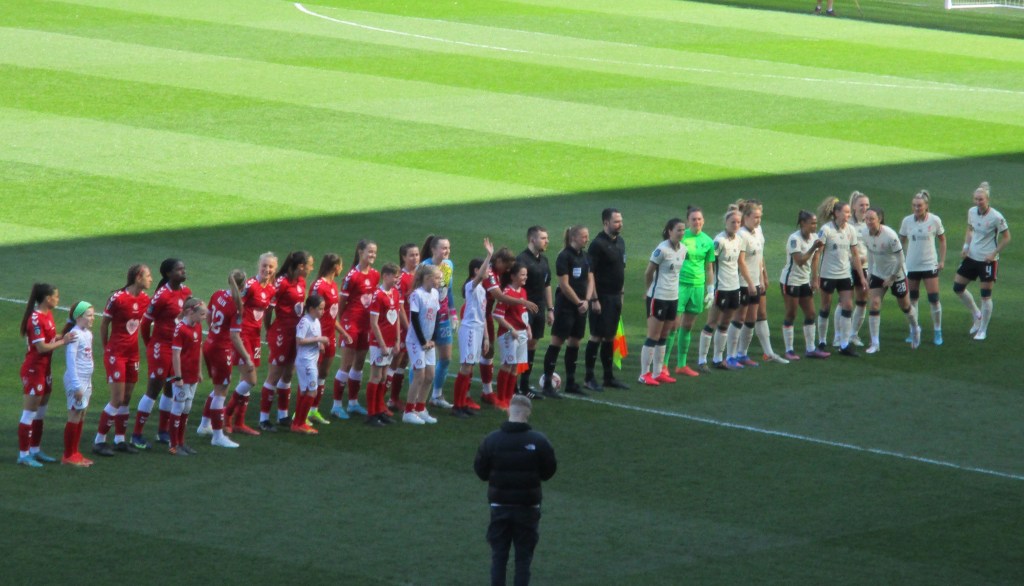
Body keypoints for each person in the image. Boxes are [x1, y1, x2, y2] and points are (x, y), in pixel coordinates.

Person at [474, 395, 557, 586]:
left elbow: (481, 471)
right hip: (528, 507)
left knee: (499, 556)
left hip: (499, 505)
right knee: (523, 559)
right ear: (528, 414)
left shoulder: (491, 440)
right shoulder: (539, 441)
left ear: (508, 411)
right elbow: (548, 471)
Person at [131, 258, 191, 449]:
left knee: (170, 388)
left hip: (176, 348)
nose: (183, 271)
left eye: (183, 268)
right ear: (168, 274)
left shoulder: (186, 292)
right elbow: (146, 323)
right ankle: (136, 435)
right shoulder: (162, 296)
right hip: (161, 347)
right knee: (154, 389)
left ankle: (163, 431)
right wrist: (150, 344)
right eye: (179, 269)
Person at [94, 264, 152, 457]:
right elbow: (104, 324)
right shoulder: (117, 299)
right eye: (148, 275)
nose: (151, 279)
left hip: (132, 354)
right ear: (138, 277)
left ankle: (120, 440)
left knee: (126, 398)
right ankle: (99, 440)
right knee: (117, 399)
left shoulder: (145, 299)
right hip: (116, 353)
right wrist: (106, 349)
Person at [17, 284, 76, 467]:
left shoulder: (47, 315)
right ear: (47, 299)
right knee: (29, 413)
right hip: (34, 370)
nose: (58, 299)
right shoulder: (35, 319)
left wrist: (65, 332)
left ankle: (35, 450)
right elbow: (42, 347)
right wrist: (64, 341)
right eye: (56, 296)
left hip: (45, 370)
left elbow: (49, 338)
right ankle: (23, 455)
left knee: (40, 413)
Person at [729, 200, 789, 367]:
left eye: (760, 217)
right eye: (756, 217)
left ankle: (743, 354)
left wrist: (762, 278)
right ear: (746, 217)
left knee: (752, 318)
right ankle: (730, 356)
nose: (758, 220)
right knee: (739, 318)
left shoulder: (757, 232)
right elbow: (741, 262)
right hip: (743, 282)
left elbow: (760, 256)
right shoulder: (741, 235)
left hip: (756, 281)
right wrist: (749, 282)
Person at [258, 250, 313, 431]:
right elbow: (268, 309)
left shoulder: (301, 282)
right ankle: (263, 418)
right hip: (281, 333)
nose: (311, 269)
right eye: (310, 265)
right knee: (274, 375)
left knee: (288, 373)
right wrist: (269, 329)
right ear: (301, 266)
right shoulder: (281, 283)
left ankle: (283, 415)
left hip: (295, 334)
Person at [223, 252, 277, 436]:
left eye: (270, 267)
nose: (267, 269)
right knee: (251, 380)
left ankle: (239, 422)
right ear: (258, 266)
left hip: (255, 337)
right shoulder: (250, 286)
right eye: (264, 266)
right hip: (243, 335)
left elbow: (266, 312)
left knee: (244, 381)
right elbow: (236, 304)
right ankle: (227, 414)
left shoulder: (271, 290)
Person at [697, 207, 756, 371]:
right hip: (721, 288)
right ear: (726, 222)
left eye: (738, 222)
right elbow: (709, 264)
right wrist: (710, 288)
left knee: (725, 323)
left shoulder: (739, 240)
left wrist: (749, 283)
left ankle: (718, 359)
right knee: (712, 322)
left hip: (734, 288)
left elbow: (740, 263)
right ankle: (702, 360)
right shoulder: (719, 241)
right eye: (733, 222)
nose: (736, 225)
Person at [953, 181, 1011, 341]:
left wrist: (994, 253)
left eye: (981, 199)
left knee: (985, 295)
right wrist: (966, 246)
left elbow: (1007, 237)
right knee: (958, 287)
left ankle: (983, 329)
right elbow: (970, 229)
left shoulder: (996, 217)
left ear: (988, 200)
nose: (978, 202)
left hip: (987, 261)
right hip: (972, 256)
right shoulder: (972, 212)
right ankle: (976, 314)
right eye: (976, 199)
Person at [195, 270, 246, 448]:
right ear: (243, 285)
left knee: (218, 388)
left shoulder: (217, 294)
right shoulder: (237, 306)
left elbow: (208, 318)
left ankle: (204, 425)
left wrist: (215, 333)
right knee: (221, 392)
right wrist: (246, 357)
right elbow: (234, 336)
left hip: (209, 343)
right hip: (221, 349)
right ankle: (217, 436)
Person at [543, 225, 594, 397]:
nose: (587, 239)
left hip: (581, 306)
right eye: (584, 236)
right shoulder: (564, 256)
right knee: (557, 341)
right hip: (566, 306)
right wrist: (579, 302)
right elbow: (564, 285)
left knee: (575, 342)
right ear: (573, 238)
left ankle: (571, 383)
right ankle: (547, 384)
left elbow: (590, 279)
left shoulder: (586, 257)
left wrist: (587, 300)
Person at [665, 206, 715, 377]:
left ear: (703, 220)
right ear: (688, 221)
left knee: (687, 326)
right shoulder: (681, 237)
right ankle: (663, 365)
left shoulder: (708, 241)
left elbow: (709, 267)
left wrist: (710, 290)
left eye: (699, 219)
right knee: (673, 325)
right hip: (680, 285)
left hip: (697, 287)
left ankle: (681, 364)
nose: (697, 222)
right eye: (693, 219)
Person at [862, 208, 920, 353]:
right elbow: (870, 253)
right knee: (874, 304)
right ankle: (875, 343)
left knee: (905, 306)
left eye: (872, 219)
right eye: (866, 218)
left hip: (896, 274)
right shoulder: (865, 233)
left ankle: (915, 328)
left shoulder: (890, 235)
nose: (868, 222)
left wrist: (892, 277)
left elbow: (900, 258)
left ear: (879, 219)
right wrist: (869, 273)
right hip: (878, 273)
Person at [583, 209, 629, 391]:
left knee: (610, 336)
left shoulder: (621, 242)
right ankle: (588, 378)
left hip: (615, 296)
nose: (620, 224)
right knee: (596, 335)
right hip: (601, 297)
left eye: (621, 220)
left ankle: (608, 377)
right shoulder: (597, 244)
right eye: (616, 221)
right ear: (606, 223)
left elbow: (621, 270)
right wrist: (594, 299)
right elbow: (590, 273)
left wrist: (621, 294)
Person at [815, 196, 867, 357]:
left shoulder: (850, 230)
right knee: (825, 307)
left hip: (845, 274)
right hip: (828, 275)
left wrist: (861, 277)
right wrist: (815, 276)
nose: (848, 215)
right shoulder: (826, 230)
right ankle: (822, 341)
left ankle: (844, 344)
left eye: (849, 213)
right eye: (846, 212)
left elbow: (855, 254)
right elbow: (817, 254)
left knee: (848, 306)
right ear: (836, 213)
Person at [333, 241, 378, 418]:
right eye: (370, 251)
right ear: (360, 252)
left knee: (359, 364)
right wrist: (343, 323)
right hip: (351, 323)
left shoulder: (375, 274)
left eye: (374, 252)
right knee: (346, 364)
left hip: (365, 325)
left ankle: (353, 403)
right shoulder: (351, 276)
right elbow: (341, 304)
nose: (373, 255)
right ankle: (336, 406)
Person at [638, 218, 686, 386]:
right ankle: (644, 374)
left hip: (673, 297)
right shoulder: (662, 250)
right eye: (678, 230)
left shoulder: (683, 249)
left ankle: (658, 373)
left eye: (683, 230)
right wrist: (649, 291)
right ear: (669, 231)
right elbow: (648, 272)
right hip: (658, 297)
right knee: (653, 335)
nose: (681, 233)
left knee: (664, 335)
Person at [899, 190, 947, 345]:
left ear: (926, 206)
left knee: (934, 299)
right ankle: (914, 330)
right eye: (914, 205)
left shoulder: (934, 220)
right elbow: (901, 241)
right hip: (912, 266)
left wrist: (941, 260)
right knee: (912, 299)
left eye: (919, 205)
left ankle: (938, 331)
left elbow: (942, 240)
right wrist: (902, 260)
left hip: (929, 264)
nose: (916, 208)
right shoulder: (907, 221)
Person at [780, 211, 829, 359]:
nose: (815, 226)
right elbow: (800, 261)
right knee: (791, 313)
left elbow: (814, 260)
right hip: (790, 281)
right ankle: (789, 350)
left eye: (815, 223)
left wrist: (815, 278)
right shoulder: (794, 239)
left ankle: (810, 348)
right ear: (802, 223)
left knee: (811, 313)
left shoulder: (814, 237)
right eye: (812, 223)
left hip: (804, 281)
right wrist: (813, 247)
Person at [456, 240, 495, 413]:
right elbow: (479, 278)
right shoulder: (471, 286)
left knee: (469, 367)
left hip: (478, 330)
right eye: (486, 269)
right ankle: (458, 405)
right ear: (476, 271)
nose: (489, 272)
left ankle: (462, 403)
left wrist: (486, 337)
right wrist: (489, 255)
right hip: (470, 330)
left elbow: (483, 314)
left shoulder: (482, 290)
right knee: (466, 367)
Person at [516, 227, 554, 396]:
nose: (547, 241)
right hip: (524, 309)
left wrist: (550, 309)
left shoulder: (544, 260)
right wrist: (521, 309)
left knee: (532, 344)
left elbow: (547, 285)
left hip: (539, 308)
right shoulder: (522, 260)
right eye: (543, 238)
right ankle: (514, 386)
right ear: (532, 239)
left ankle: (524, 385)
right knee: (521, 346)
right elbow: (516, 287)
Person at [310, 254, 347, 426]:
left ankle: (313, 410)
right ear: (335, 267)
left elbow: (332, 316)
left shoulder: (333, 285)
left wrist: (343, 332)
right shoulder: (319, 285)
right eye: (341, 265)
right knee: (312, 374)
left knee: (323, 373)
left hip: (330, 336)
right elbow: (311, 313)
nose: (342, 268)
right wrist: (316, 339)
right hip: (318, 337)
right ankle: (301, 413)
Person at [421, 235, 457, 409]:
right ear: (433, 249)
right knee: (422, 361)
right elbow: (418, 293)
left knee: (446, 358)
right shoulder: (424, 267)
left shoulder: (449, 265)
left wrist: (453, 313)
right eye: (443, 248)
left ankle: (436, 395)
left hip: (443, 319)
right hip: (427, 319)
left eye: (448, 248)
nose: (447, 251)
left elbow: (448, 291)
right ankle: (417, 398)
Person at [167, 297, 207, 456]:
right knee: (178, 408)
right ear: (191, 312)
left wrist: (199, 371)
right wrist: (178, 377)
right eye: (202, 314)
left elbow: (199, 350)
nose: (204, 317)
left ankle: (181, 442)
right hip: (182, 376)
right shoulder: (180, 329)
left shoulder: (197, 327)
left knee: (187, 408)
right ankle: (173, 445)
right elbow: (175, 354)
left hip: (192, 375)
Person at [366, 264, 403, 426]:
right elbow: (374, 323)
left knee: (383, 376)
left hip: (390, 342)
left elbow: (396, 319)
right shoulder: (377, 295)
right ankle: (371, 414)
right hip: (378, 342)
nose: (397, 280)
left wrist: (397, 341)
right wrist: (381, 344)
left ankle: (379, 410)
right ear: (385, 276)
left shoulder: (395, 293)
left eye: (398, 276)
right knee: (376, 376)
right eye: (395, 276)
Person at [404, 264, 441, 424]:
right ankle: (408, 411)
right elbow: (414, 319)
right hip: (416, 341)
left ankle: (420, 408)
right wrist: (422, 341)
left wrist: (433, 339)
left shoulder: (435, 293)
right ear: (428, 278)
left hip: (428, 342)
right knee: (419, 375)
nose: (440, 281)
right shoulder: (416, 295)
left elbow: (437, 316)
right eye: (437, 278)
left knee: (430, 375)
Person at [494, 262, 532, 408]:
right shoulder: (506, 293)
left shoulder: (523, 291)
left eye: (526, 274)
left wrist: (528, 328)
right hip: (509, 334)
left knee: (515, 366)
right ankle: (501, 399)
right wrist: (512, 330)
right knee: (507, 364)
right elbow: (497, 315)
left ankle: (509, 398)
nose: (525, 277)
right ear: (513, 276)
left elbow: (523, 313)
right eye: (522, 275)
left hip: (521, 333)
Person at [62, 300, 94, 467]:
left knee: (81, 414)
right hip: (77, 380)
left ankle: (75, 452)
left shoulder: (87, 334)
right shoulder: (75, 335)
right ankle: (68, 455)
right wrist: (76, 385)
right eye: (89, 315)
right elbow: (71, 361)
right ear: (79, 317)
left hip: (86, 380)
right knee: (74, 414)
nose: (93, 318)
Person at [293, 294, 329, 435]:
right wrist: (319, 339)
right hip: (305, 362)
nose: (323, 311)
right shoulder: (305, 321)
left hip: (311, 361)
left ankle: (297, 423)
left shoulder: (316, 321)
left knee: (305, 392)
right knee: (312, 392)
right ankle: (300, 423)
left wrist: (320, 345)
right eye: (320, 308)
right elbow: (299, 340)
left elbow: (315, 338)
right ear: (312, 309)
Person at [846, 192, 871, 347]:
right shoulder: (848, 224)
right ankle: (840, 336)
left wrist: (865, 258)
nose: (864, 208)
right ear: (854, 206)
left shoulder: (871, 222)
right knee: (845, 302)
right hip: (848, 267)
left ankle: (853, 335)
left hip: (866, 267)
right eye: (861, 205)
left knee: (862, 301)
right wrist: (852, 259)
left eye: (867, 205)